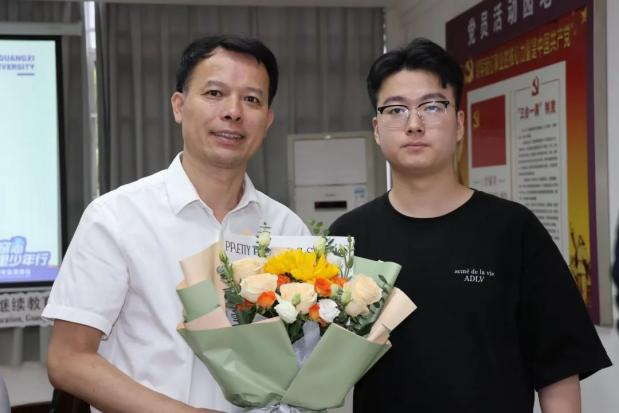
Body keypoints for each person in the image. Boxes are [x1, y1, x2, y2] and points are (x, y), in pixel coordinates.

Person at [329, 38, 611, 413]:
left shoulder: (513, 229)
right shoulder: (348, 236)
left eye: (432, 106)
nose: (414, 124)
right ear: (377, 128)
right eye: (396, 110)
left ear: (460, 123)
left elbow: (557, 369)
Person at [42, 35, 309, 413]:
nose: (233, 111)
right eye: (215, 93)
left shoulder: (287, 229)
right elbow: (68, 359)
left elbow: (303, 355)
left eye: (252, 99)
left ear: (267, 120)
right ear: (179, 106)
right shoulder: (116, 217)